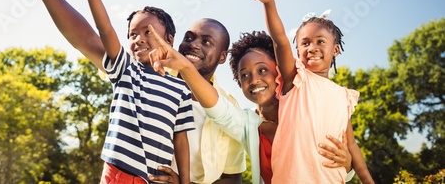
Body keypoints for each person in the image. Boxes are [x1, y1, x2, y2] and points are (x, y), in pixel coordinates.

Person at [2, 0, 195, 184]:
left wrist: (185, 181)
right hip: (118, 174)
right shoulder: (127, 70)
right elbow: (103, 31)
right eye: (132, 34)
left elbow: (180, 137)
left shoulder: (181, 87)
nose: (137, 39)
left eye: (147, 31)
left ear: (169, 39)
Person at [147, 26, 354, 184]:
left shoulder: (310, 108)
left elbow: (339, 163)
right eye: (244, 75)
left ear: (279, 72)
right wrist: (184, 66)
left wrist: (348, 164)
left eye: (262, 70)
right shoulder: (248, 124)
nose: (254, 79)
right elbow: (221, 110)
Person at [249, 0, 375, 183]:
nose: (312, 47)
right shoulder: (295, 79)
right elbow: (279, 40)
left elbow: (351, 145)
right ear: (297, 50)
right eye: (305, 43)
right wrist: (268, 2)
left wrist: (368, 180)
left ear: (335, 49)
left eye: (320, 41)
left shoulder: (344, 96)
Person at [151, 18, 246, 183]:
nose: (193, 44)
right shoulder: (155, 80)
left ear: (222, 57)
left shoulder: (230, 107)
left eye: (207, 42)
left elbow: (232, 177)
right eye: (188, 38)